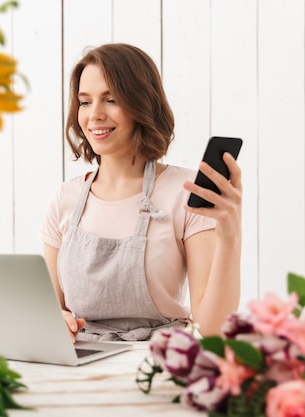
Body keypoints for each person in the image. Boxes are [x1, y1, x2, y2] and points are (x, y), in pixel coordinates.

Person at [39, 43, 242, 342]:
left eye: (110, 100)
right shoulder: (65, 199)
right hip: (81, 366)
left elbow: (213, 330)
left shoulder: (185, 193)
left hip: (157, 364)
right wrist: (56, 321)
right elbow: (47, 311)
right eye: (85, 102)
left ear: (141, 105)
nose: (94, 115)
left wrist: (230, 236)